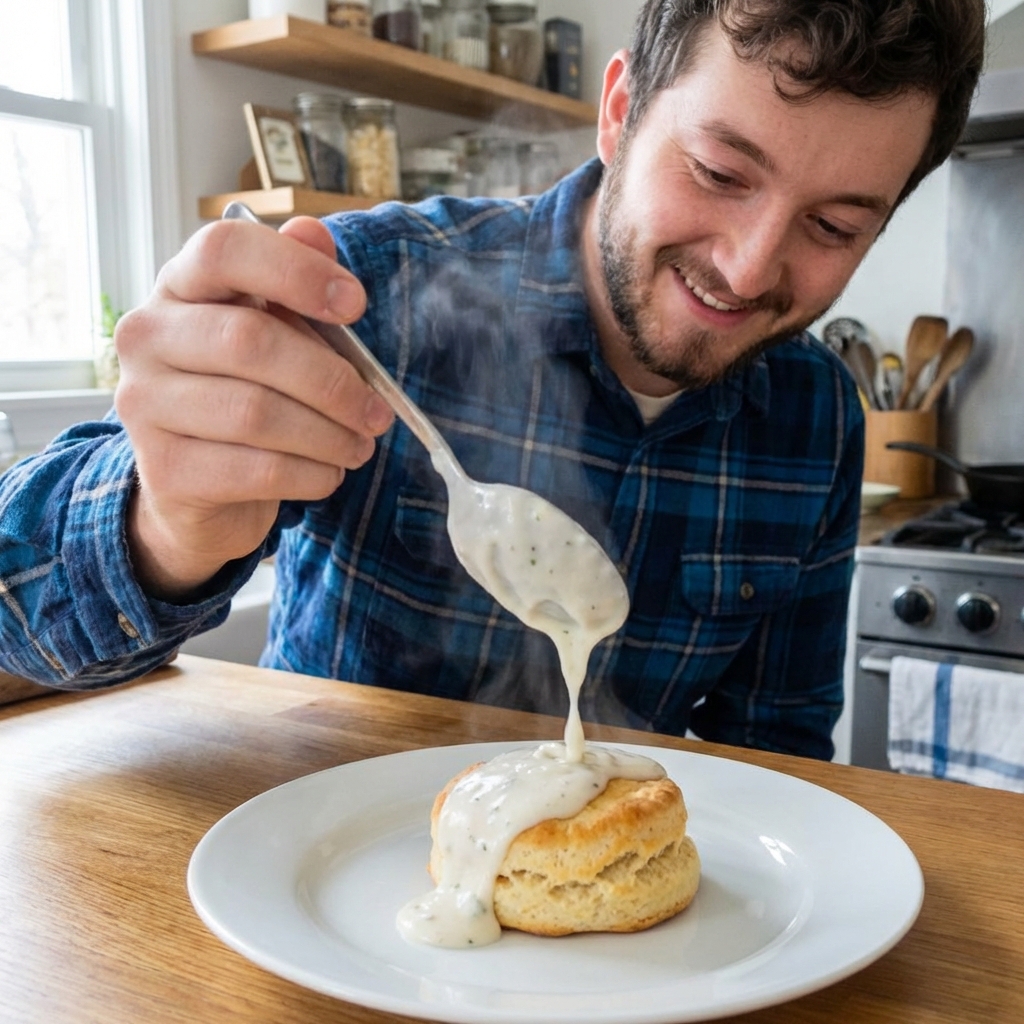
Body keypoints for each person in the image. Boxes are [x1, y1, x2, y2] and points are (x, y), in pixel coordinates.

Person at [0, 0, 984, 759]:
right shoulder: (362, 297)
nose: (748, 266)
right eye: (719, 172)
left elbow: (776, 766)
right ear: (617, 115)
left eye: (834, 227)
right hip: (317, 900)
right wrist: (163, 529)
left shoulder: (815, 419)